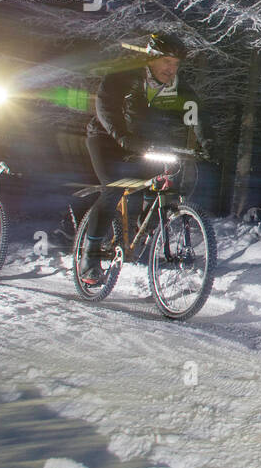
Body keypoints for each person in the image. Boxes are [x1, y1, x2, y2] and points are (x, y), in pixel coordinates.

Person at [78, 31, 210, 282]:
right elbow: (106, 107)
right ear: (151, 58)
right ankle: (90, 254)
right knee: (114, 188)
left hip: (141, 144)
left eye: (176, 64)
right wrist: (121, 136)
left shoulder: (177, 88)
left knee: (167, 177)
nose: (171, 69)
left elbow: (197, 116)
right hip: (107, 138)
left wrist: (208, 141)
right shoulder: (123, 76)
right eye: (166, 62)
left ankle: (144, 222)